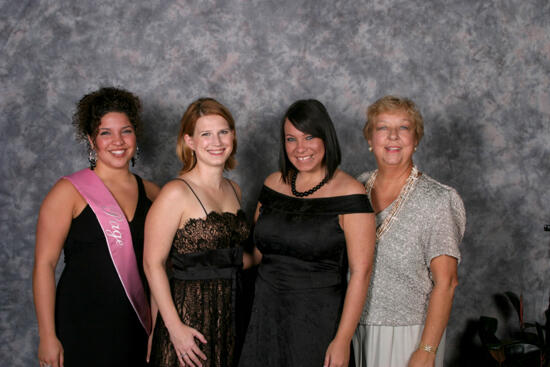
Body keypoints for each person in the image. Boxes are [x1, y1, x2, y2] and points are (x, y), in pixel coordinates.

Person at [238, 99, 376, 367]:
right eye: (291, 139)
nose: (300, 148)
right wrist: (210, 262)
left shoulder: (351, 194)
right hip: (262, 315)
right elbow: (256, 255)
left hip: (317, 321)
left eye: (310, 136)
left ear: (326, 137)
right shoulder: (271, 184)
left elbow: (362, 273)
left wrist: (342, 339)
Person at [32, 87, 160, 367]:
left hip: (135, 324)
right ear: (91, 140)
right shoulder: (68, 191)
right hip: (80, 324)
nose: (118, 141)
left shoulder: (152, 193)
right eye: (105, 133)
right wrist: (47, 335)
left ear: (135, 136)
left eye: (125, 131)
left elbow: (163, 265)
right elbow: (44, 264)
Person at [352, 95, 466, 367]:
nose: (392, 136)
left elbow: (446, 283)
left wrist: (426, 349)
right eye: (382, 128)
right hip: (356, 329)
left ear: (415, 139)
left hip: (408, 334)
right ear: (370, 140)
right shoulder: (356, 188)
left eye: (403, 128)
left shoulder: (438, 199)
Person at [144, 98, 250, 367]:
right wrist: (174, 329)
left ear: (233, 136)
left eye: (223, 132)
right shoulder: (174, 193)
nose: (217, 141)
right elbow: (152, 264)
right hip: (188, 321)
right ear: (189, 141)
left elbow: (229, 257)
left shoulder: (234, 190)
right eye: (206, 134)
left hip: (231, 315)